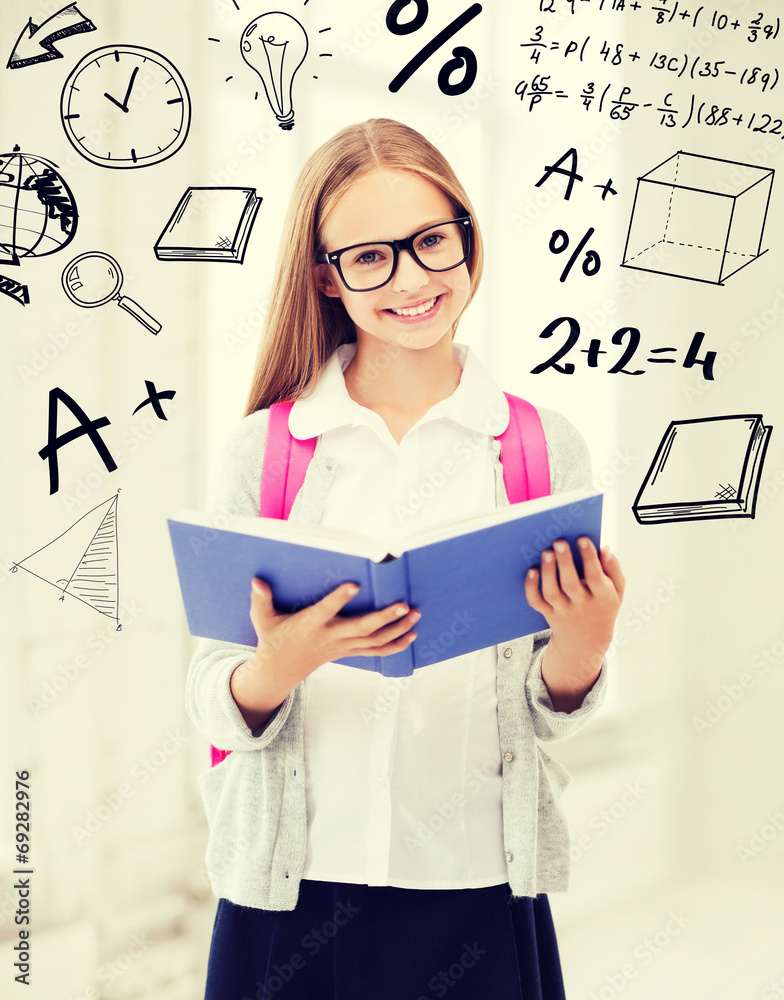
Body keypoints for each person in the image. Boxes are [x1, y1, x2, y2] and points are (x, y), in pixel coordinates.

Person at [187, 118, 625, 1000]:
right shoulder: (266, 453)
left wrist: (587, 643)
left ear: (468, 237)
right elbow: (212, 697)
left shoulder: (540, 449)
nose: (413, 279)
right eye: (370, 257)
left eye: (432, 241)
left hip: (474, 883)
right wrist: (279, 666)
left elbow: (552, 710)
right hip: (293, 885)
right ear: (326, 277)